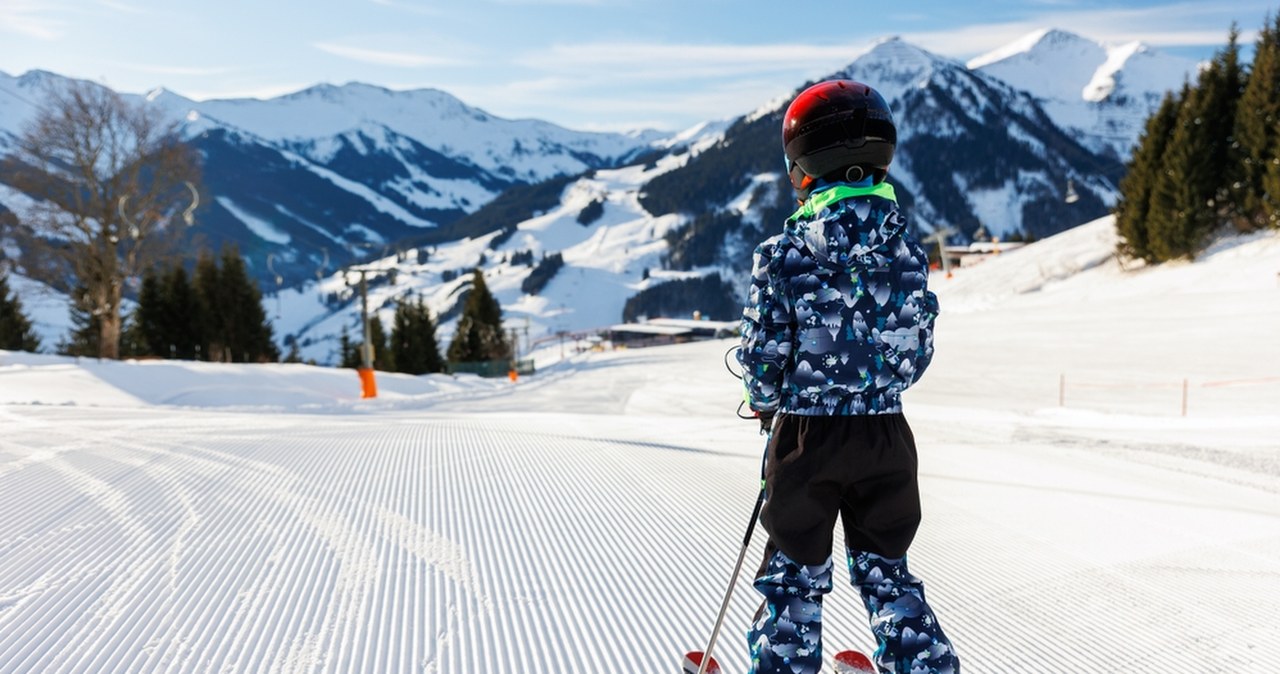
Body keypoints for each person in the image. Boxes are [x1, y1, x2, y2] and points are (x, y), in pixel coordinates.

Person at [737, 79, 959, 674]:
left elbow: (764, 354)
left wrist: (763, 399)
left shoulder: (782, 253)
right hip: (887, 436)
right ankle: (922, 666)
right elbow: (914, 356)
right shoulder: (910, 251)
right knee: (886, 566)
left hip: (807, 439)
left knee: (794, 570)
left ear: (805, 168)